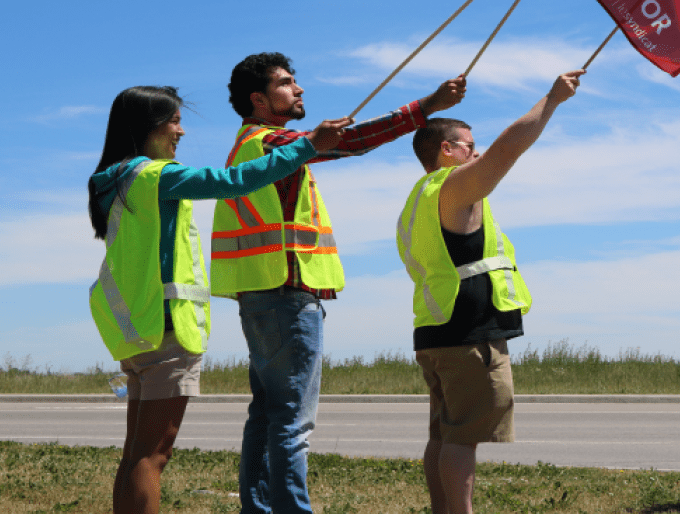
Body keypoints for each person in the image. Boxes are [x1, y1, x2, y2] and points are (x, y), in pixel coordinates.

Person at [210, 52, 466, 514]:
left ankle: (260, 509)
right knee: (291, 423)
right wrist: (425, 107)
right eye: (287, 83)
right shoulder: (271, 144)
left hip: (262, 296)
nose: (299, 88)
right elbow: (353, 142)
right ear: (259, 99)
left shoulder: (248, 144)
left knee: (266, 417)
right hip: (288, 295)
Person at [86, 85, 348, 514]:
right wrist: (308, 147)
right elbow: (233, 182)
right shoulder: (155, 176)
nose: (181, 131)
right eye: (174, 121)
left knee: (135, 456)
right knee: (153, 458)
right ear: (149, 127)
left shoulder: (114, 181)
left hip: (137, 331)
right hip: (168, 329)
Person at [396, 69, 585, 514]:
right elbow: (509, 148)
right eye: (468, 145)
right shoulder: (452, 186)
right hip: (468, 335)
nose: (476, 153)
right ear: (446, 151)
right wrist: (552, 99)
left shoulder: (417, 197)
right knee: (462, 438)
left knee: (444, 434)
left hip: (437, 330)